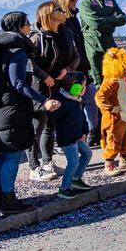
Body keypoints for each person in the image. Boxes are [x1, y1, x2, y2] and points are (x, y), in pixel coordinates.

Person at [0, 12, 59, 216]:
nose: (30, 26)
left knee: (4, 154)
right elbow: (18, 83)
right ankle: (8, 200)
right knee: (14, 154)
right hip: (12, 109)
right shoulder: (17, 51)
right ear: (19, 28)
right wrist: (43, 100)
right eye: (27, 24)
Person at [28, 2, 82, 182]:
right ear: (48, 15)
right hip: (41, 87)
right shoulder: (37, 37)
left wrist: (66, 71)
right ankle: (34, 166)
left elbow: (76, 56)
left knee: (51, 125)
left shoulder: (66, 32)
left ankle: (47, 161)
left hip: (59, 84)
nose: (63, 12)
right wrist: (44, 77)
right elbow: (29, 63)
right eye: (58, 10)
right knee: (37, 126)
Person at [78, 0, 126, 145]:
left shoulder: (110, 0)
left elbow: (122, 19)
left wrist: (106, 20)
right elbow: (94, 23)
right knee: (100, 87)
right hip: (93, 47)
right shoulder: (85, 3)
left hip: (110, 45)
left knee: (114, 83)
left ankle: (115, 126)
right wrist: (110, 19)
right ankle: (98, 130)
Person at [54, 0, 100, 146]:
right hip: (72, 76)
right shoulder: (63, 24)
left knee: (90, 99)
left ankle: (91, 133)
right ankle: (71, 139)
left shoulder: (73, 19)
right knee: (75, 103)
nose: (76, 1)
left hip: (81, 72)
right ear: (65, 0)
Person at [95, 47, 126, 176]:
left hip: (124, 115)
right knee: (114, 140)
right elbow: (99, 97)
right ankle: (109, 164)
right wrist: (111, 108)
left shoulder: (120, 78)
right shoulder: (111, 80)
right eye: (124, 65)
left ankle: (124, 160)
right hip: (115, 118)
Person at [52, 71, 95, 199]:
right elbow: (53, 117)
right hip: (67, 138)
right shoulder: (61, 101)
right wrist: (52, 108)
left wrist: (84, 132)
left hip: (78, 136)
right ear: (74, 88)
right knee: (73, 162)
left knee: (87, 153)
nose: (85, 88)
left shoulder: (77, 100)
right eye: (83, 86)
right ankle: (64, 187)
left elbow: (82, 117)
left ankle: (76, 179)